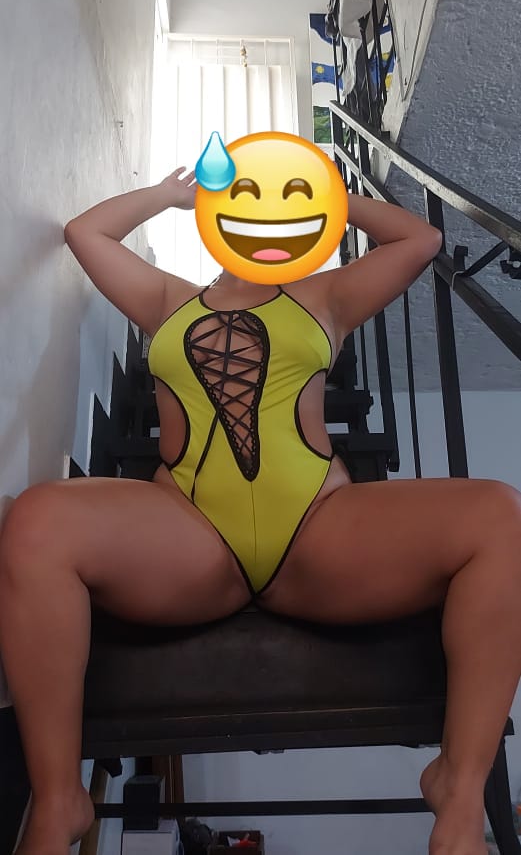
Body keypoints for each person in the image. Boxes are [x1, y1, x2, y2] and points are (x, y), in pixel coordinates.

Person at [1, 166, 520, 855]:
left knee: (500, 514)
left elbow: (420, 239)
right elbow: (84, 232)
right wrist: (172, 195)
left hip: (318, 532)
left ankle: (459, 783)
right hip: (186, 534)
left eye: (279, 208)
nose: (263, 220)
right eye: (246, 205)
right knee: (36, 519)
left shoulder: (327, 296)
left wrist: (330, 193)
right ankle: (59, 798)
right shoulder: (165, 298)